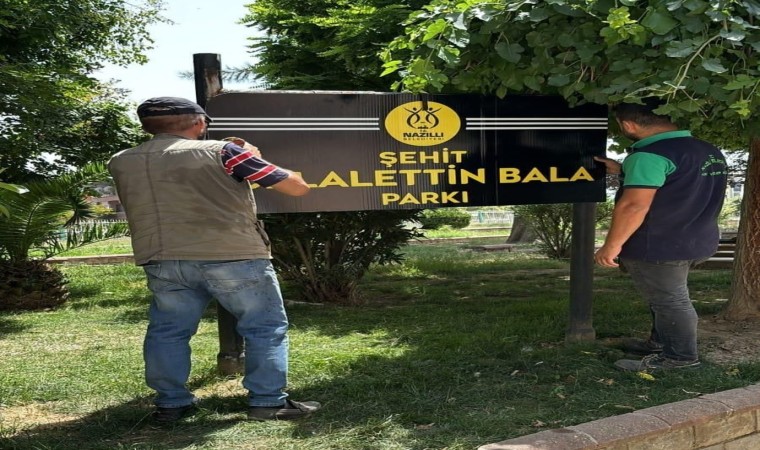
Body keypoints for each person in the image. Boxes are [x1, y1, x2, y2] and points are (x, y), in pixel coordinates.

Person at [108, 97, 321, 422]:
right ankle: (267, 402)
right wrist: (252, 155)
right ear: (199, 123)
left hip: (162, 257)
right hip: (233, 254)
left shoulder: (121, 160)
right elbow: (296, 187)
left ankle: (171, 405)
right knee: (264, 327)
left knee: (168, 331)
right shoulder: (225, 151)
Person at [594, 99, 728, 372]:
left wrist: (611, 245)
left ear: (627, 124)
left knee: (670, 301)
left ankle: (680, 359)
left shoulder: (649, 156)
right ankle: (660, 343)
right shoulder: (707, 150)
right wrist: (624, 170)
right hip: (697, 239)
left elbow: (634, 206)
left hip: (658, 245)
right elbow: (680, 182)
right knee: (665, 296)